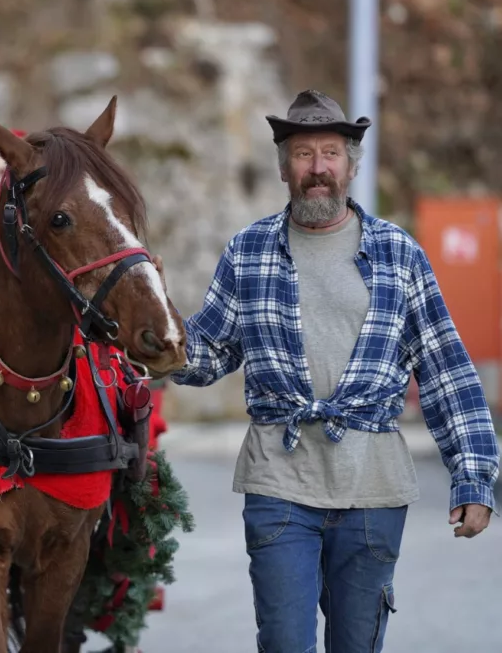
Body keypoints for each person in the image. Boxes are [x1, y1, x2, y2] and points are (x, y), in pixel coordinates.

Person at [167, 89, 499, 652]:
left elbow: (445, 367)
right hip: (279, 482)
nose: (317, 168)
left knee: (356, 644)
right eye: (302, 154)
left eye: (330, 153)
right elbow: (208, 353)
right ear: (282, 167)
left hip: (372, 489)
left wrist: (473, 476)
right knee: (284, 642)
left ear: (350, 165)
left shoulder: (399, 253)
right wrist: (155, 333)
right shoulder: (248, 251)